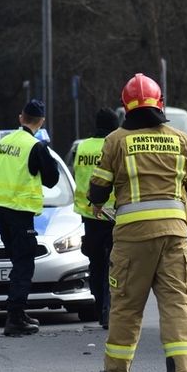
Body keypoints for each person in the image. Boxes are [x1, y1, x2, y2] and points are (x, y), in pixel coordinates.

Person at [90, 73, 187, 372]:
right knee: (177, 304)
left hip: (132, 238)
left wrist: (96, 201)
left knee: (127, 305)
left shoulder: (115, 140)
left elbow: (98, 190)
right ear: (160, 104)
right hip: (174, 235)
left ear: (125, 107)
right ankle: (182, 371)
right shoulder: (180, 138)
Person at [0, 98, 60, 337]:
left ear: (21, 117)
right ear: (41, 121)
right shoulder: (35, 146)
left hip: (0, 211)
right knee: (24, 265)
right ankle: (15, 317)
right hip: (21, 213)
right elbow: (52, 179)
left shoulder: (3, 143)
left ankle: (18, 312)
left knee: (17, 262)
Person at [73, 107, 121, 328]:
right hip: (112, 214)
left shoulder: (82, 147)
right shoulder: (113, 145)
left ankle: (99, 303)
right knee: (113, 265)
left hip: (88, 214)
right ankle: (107, 311)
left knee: (96, 263)